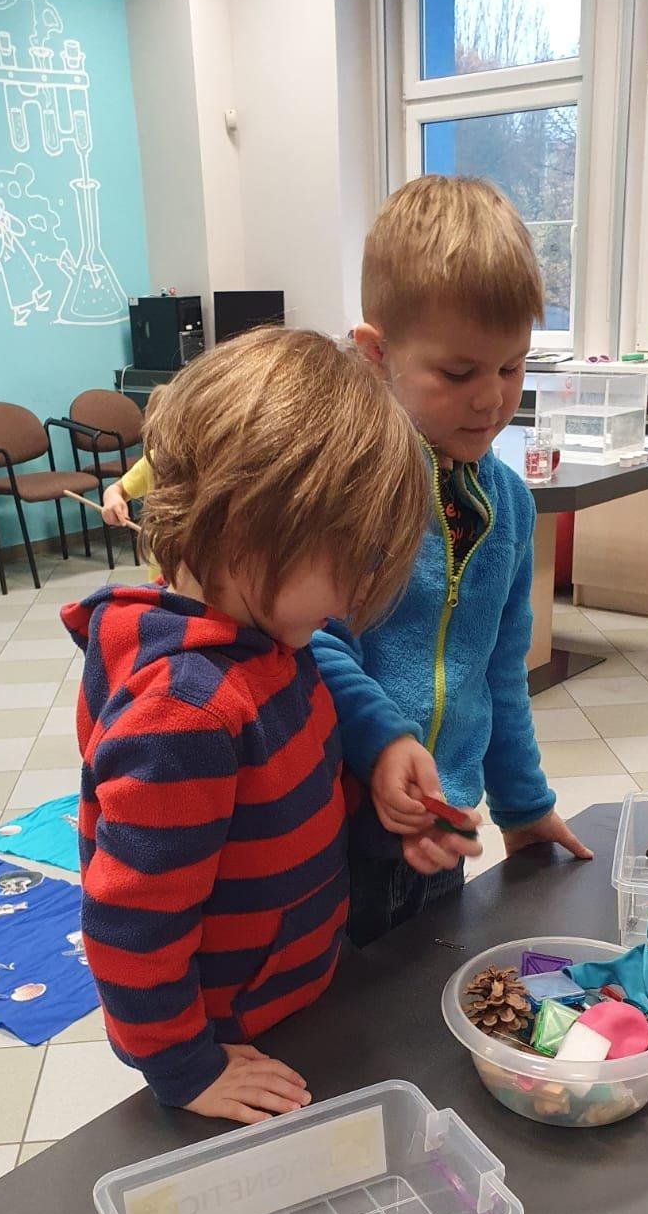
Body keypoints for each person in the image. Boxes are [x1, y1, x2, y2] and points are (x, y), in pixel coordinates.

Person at [62, 328, 429, 1123]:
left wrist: (383, 821)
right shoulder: (185, 714)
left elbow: (294, 793)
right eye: (348, 561)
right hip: (230, 1040)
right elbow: (131, 925)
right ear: (246, 526)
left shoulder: (273, 642)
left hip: (297, 1004)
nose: (354, 595)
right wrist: (187, 1070)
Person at [312, 175, 592, 948]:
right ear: (377, 354)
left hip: (443, 826)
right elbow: (314, 644)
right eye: (459, 373)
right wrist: (382, 744)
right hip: (336, 830)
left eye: (512, 368)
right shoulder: (350, 490)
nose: (491, 400)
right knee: (341, 1010)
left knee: (424, 991)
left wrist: (525, 807)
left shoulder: (511, 507)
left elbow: (500, 672)